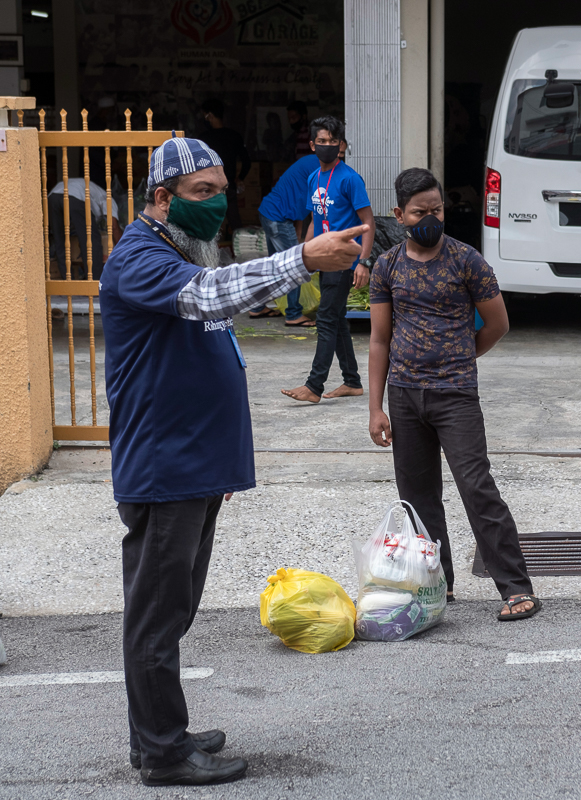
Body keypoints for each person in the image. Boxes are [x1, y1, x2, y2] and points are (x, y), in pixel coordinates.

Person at [99, 136, 366, 786]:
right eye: (202, 193)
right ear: (161, 199)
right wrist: (303, 258)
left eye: (222, 190)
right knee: (158, 614)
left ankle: (159, 733)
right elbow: (212, 297)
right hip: (166, 469)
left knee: (175, 606)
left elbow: (218, 299)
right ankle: (162, 752)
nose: (217, 204)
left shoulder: (181, 250)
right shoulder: (139, 258)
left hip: (195, 467)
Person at [367, 168, 541, 621]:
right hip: (404, 397)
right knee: (418, 498)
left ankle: (516, 588)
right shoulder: (386, 267)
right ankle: (436, 587)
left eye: (437, 210)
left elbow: (498, 324)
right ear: (399, 215)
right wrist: (375, 408)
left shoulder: (467, 261)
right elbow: (379, 340)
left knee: (477, 488)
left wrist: (462, 357)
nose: (431, 218)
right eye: (421, 212)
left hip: (456, 395)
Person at [282, 116, 375, 403]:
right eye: (321, 141)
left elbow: (368, 221)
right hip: (325, 260)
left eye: (332, 141)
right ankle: (352, 381)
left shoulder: (350, 178)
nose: (327, 146)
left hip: (345, 261)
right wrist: (303, 255)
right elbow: (315, 220)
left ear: (341, 145)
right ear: (312, 145)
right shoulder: (314, 178)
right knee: (336, 320)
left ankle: (314, 386)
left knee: (324, 318)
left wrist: (363, 261)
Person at [254, 153, 318, 326]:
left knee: (276, 266)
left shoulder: (310, 163)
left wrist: (299, 236)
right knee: (295, 265)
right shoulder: (319, 168)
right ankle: (293, 314)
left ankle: (257, 306)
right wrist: (308, 247)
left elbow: (299, 204)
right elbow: (316, 215)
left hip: (271, 213)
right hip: (278, 217)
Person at [197, 98, 251, 231]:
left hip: (209, 190)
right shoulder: (234, 136)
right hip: (229, 187)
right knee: (236, 225)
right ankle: (240, 249)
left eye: (205, 115)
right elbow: (247, 162)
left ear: (209, 115)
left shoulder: (203, 139)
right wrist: (240, 178)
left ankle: (209, 252)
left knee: (208, 228)